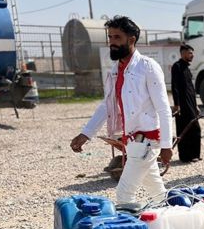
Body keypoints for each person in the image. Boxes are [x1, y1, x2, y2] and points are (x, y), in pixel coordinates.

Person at [70, 16, 173, 204]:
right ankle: (173, 224)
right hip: (132, 140)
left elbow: (164, 108)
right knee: (157, 192)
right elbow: (107, 106)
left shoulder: (147, 67)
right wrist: (86, 133)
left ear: (131, 39)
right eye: (110, 37)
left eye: (117, 37)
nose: (112, 42)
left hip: (147, 140)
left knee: (124, 194)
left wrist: (166, 145)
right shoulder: (116, 69)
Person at [171, 44, 201, 163]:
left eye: (192, 53)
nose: (192, 55)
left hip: (191, 104)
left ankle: (195, 154)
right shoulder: (177, 67)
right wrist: (177, 105)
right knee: (185, 129)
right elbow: (175, 87)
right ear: (182, 53)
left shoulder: (187, 68)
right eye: (190, 53)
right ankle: (185, 157)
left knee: (195, 129)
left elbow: (191, 89)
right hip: (182, 105)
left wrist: (196, 105)